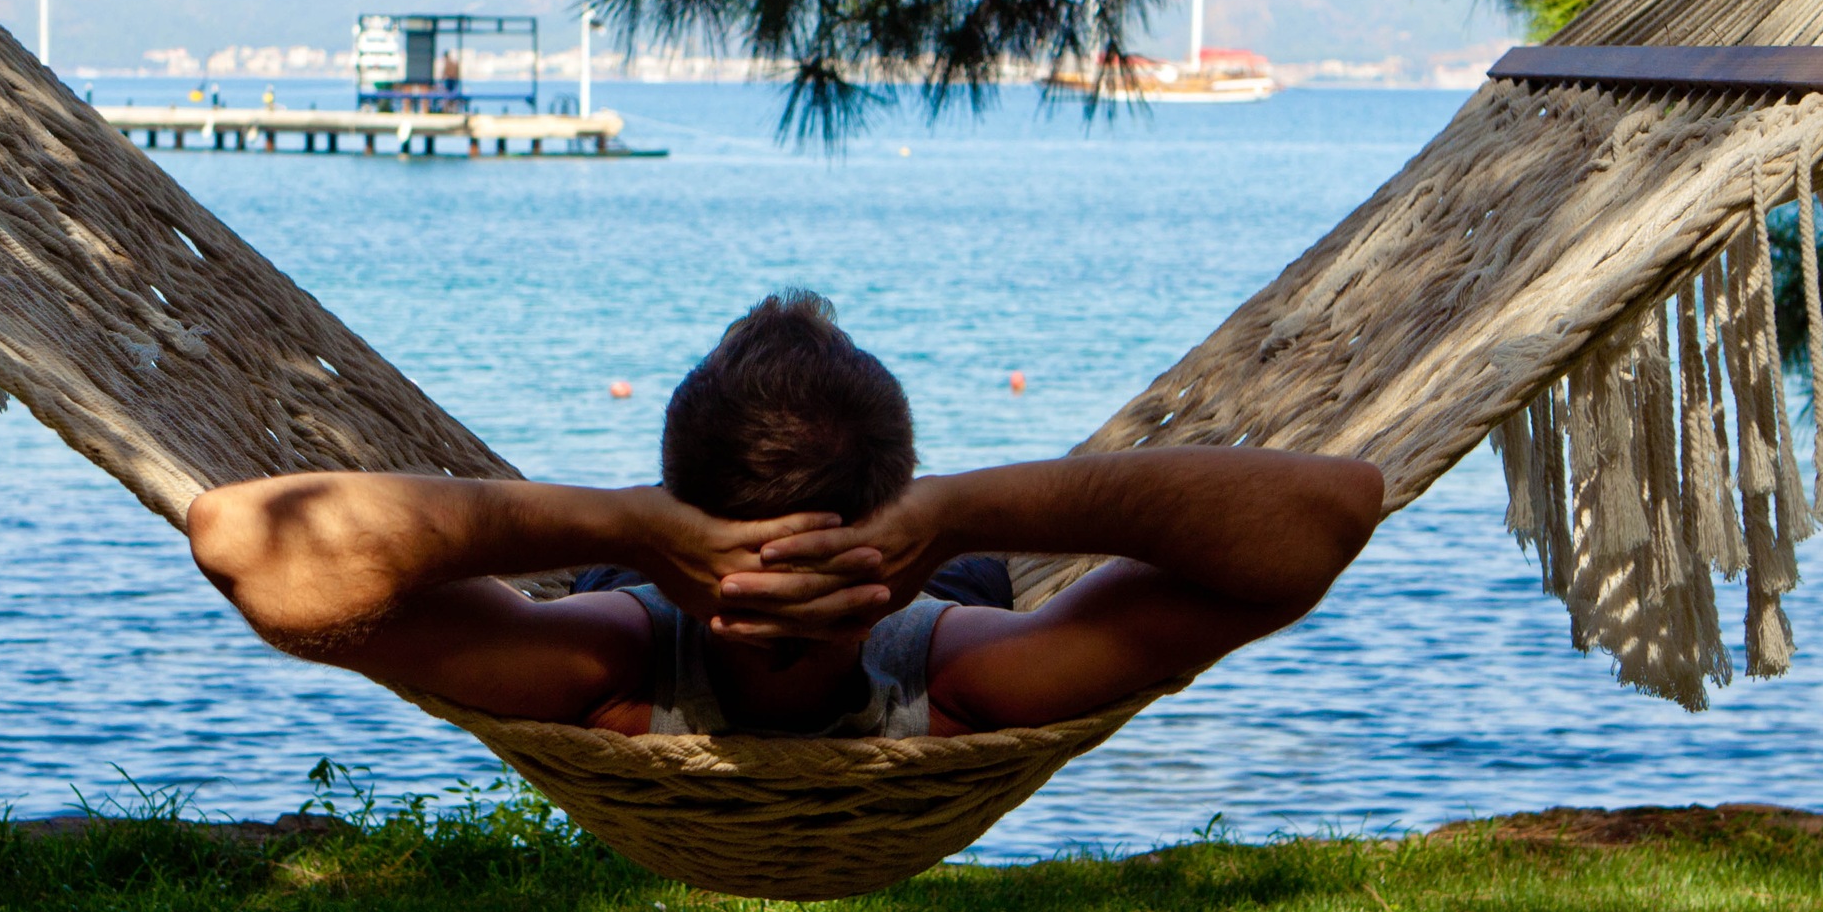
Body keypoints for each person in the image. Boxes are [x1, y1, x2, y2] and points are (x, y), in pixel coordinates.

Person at [186, 291, 1383, 738]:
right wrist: (951, 516)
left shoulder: (597, 667)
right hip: (903, 588)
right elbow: (1328, 513)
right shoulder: (976, 679)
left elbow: (243, 540)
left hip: (781, 585)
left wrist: (625, 528)